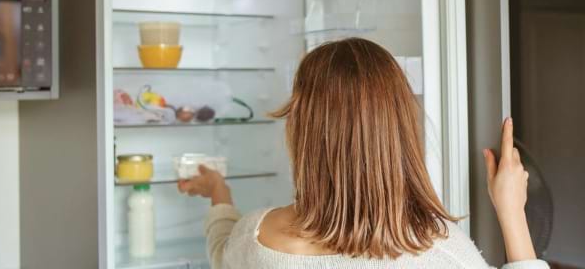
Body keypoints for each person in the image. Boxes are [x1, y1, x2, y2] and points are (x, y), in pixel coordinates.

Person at [178, 38, 548, 269]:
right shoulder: (435, 249)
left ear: (302, 131)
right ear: (399, 130)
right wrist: (512, 211)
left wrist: (218, 192)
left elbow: (221, 252)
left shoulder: (258, 238)